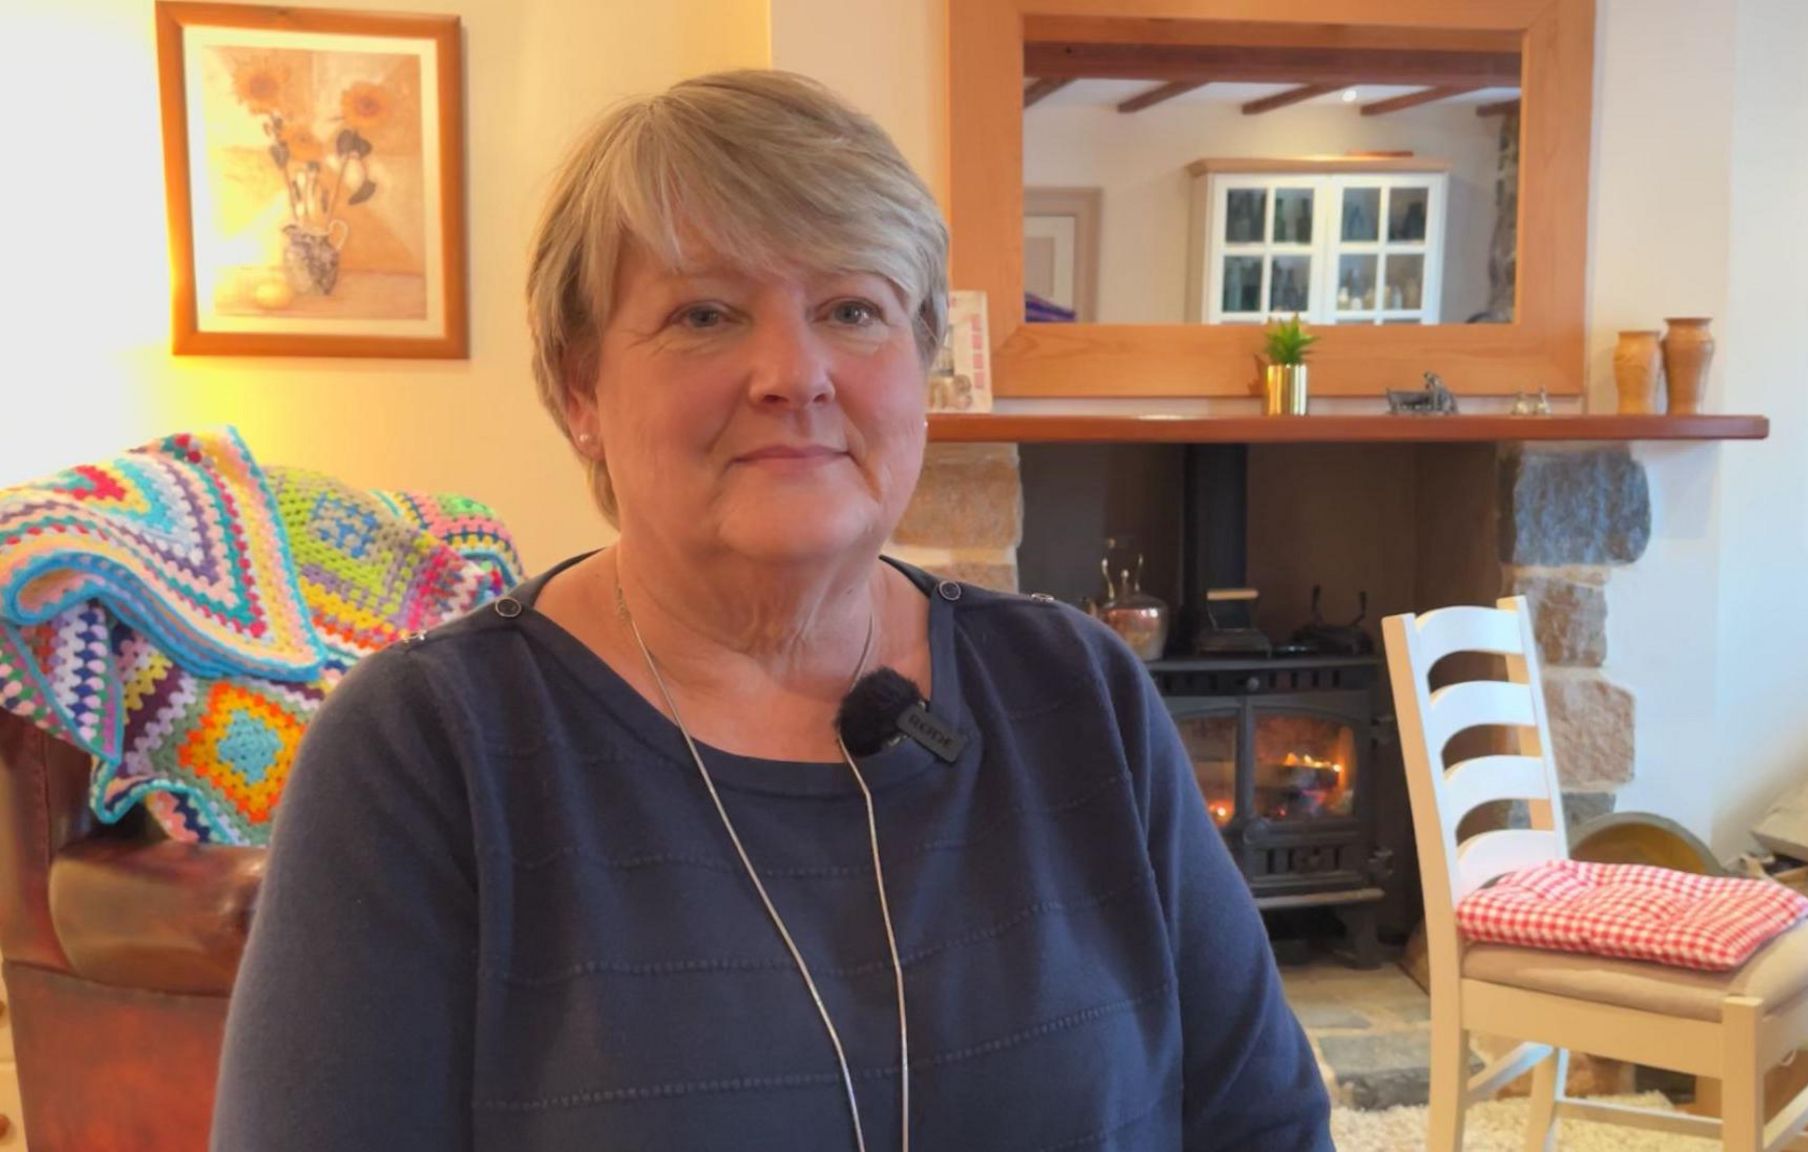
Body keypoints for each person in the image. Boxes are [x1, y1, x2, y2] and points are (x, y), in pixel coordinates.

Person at [212, 70, 1332, 1151]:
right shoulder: (430, 750)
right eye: (704, 314)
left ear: (921, 367)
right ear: (577, 387)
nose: (793, 374)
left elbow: (1262, 1123)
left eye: (852, 309)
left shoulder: (1076, 690)